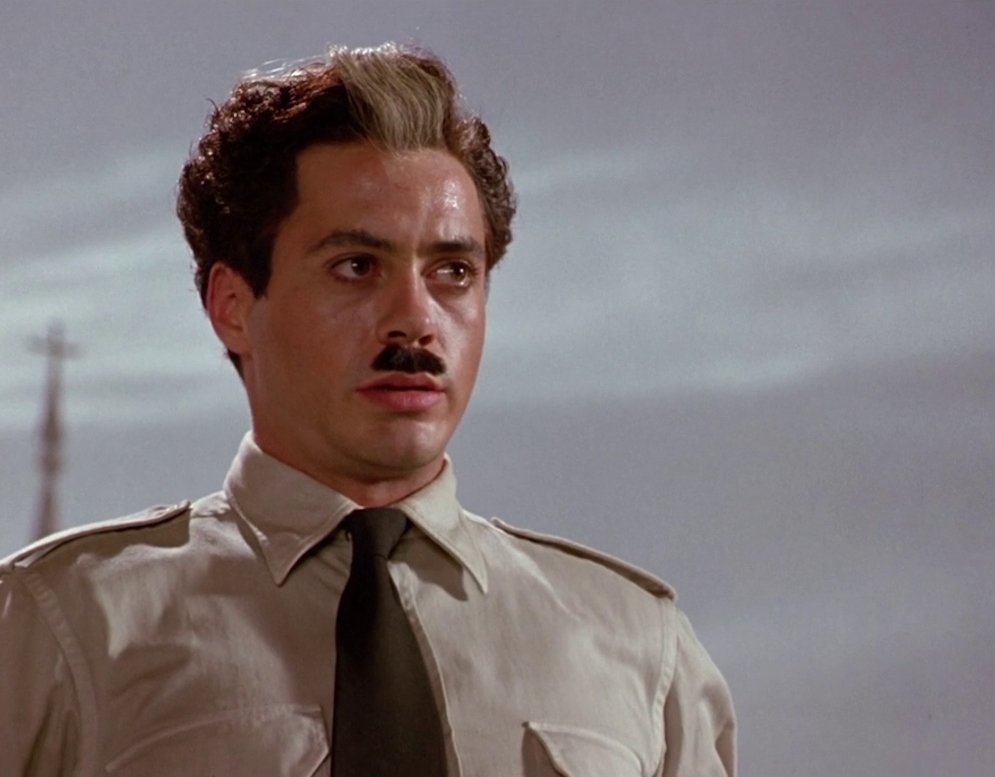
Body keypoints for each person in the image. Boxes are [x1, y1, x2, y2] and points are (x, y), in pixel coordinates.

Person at [0, 43, 736, 775]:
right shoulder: (57, 630)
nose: (414, 321)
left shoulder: (640, 650)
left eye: (453, 271)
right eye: (356, 267)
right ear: (232, 305)